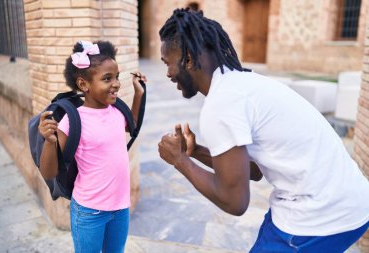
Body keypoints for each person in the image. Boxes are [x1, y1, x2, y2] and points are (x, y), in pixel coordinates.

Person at [157, 8, 369, 253]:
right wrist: (195, 152)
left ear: (189, 60)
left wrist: (180, 161)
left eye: (168, 63)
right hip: (348, 200)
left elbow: (234, 202)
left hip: (321, 215)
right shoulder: (240, 83)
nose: (168, 73)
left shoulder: (221, 105)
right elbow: (254, 171)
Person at [38, 40, 146, 253]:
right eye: (107, 78)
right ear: (83, 84)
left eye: (116, 77)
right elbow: (49, 172)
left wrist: (139, 95)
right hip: (89, 211)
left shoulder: (115, 112)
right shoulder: (72, 120)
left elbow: (132, 125)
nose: (115, 83)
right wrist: (49, 143)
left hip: (120, 207)